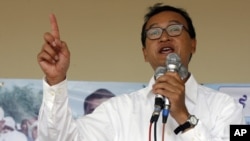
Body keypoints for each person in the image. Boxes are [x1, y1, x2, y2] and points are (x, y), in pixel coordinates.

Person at [37, 3, 245, 141]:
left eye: (174, 29)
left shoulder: (227, 107)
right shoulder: (118, 111)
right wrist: (56, 81)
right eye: (154, 33)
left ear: (193, 44)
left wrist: (183, 117)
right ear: (145, 53)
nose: (164, 37)